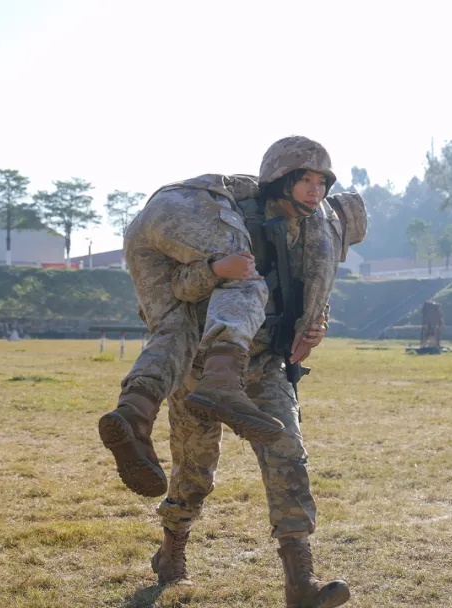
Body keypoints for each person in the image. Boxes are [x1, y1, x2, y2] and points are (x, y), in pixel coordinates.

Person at [148, 136, 367, 607]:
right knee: (194, 469)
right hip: (205, 367)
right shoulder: (229, 224)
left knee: (287, 453)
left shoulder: (315, 232)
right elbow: (180, 286)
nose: (315, 190)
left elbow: (315, 290)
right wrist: (215, 271)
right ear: (280, 180)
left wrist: (315, 326)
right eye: (305, 180)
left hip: (267, 364)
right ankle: (172, 550)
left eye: (321, 182)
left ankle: (300, 583)